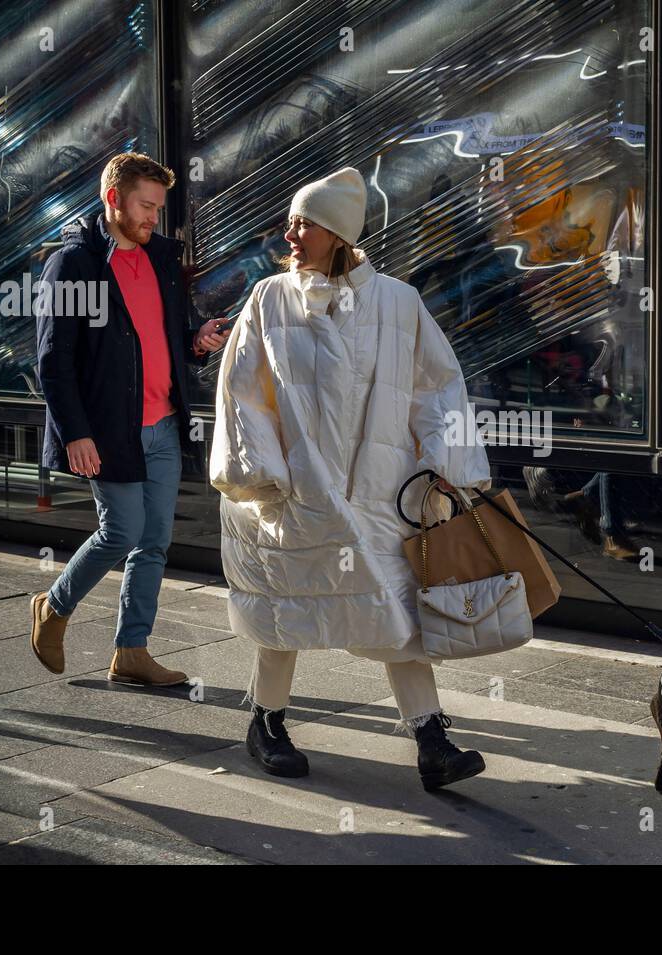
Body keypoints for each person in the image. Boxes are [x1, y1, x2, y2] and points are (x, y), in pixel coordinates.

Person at [211, 167, 492, 791]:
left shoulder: (398, 301)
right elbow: (241, 390)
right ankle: (266, 722)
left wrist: (448, 469)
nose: (291, 232)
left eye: (304, 222)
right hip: (295, 493)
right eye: (293, 220)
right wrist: (259, 472)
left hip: (380, 491)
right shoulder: (269, 298)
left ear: (337, 232)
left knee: (397, 613)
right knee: (284, 609)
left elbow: (438, 387)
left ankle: (431, 739)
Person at [29, 153, 228, 686]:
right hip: (108, 429)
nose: (152, 220)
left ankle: (132, 650)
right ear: (113, 198)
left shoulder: (160, 259)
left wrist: (196, 343)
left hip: (162, 423)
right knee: (121, 532)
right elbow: (53, 360)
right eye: (145, 206)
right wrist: (76, 432)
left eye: (158, 209)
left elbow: (158, 339)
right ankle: (54, 606)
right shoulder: (74, 264)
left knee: (155, 540)